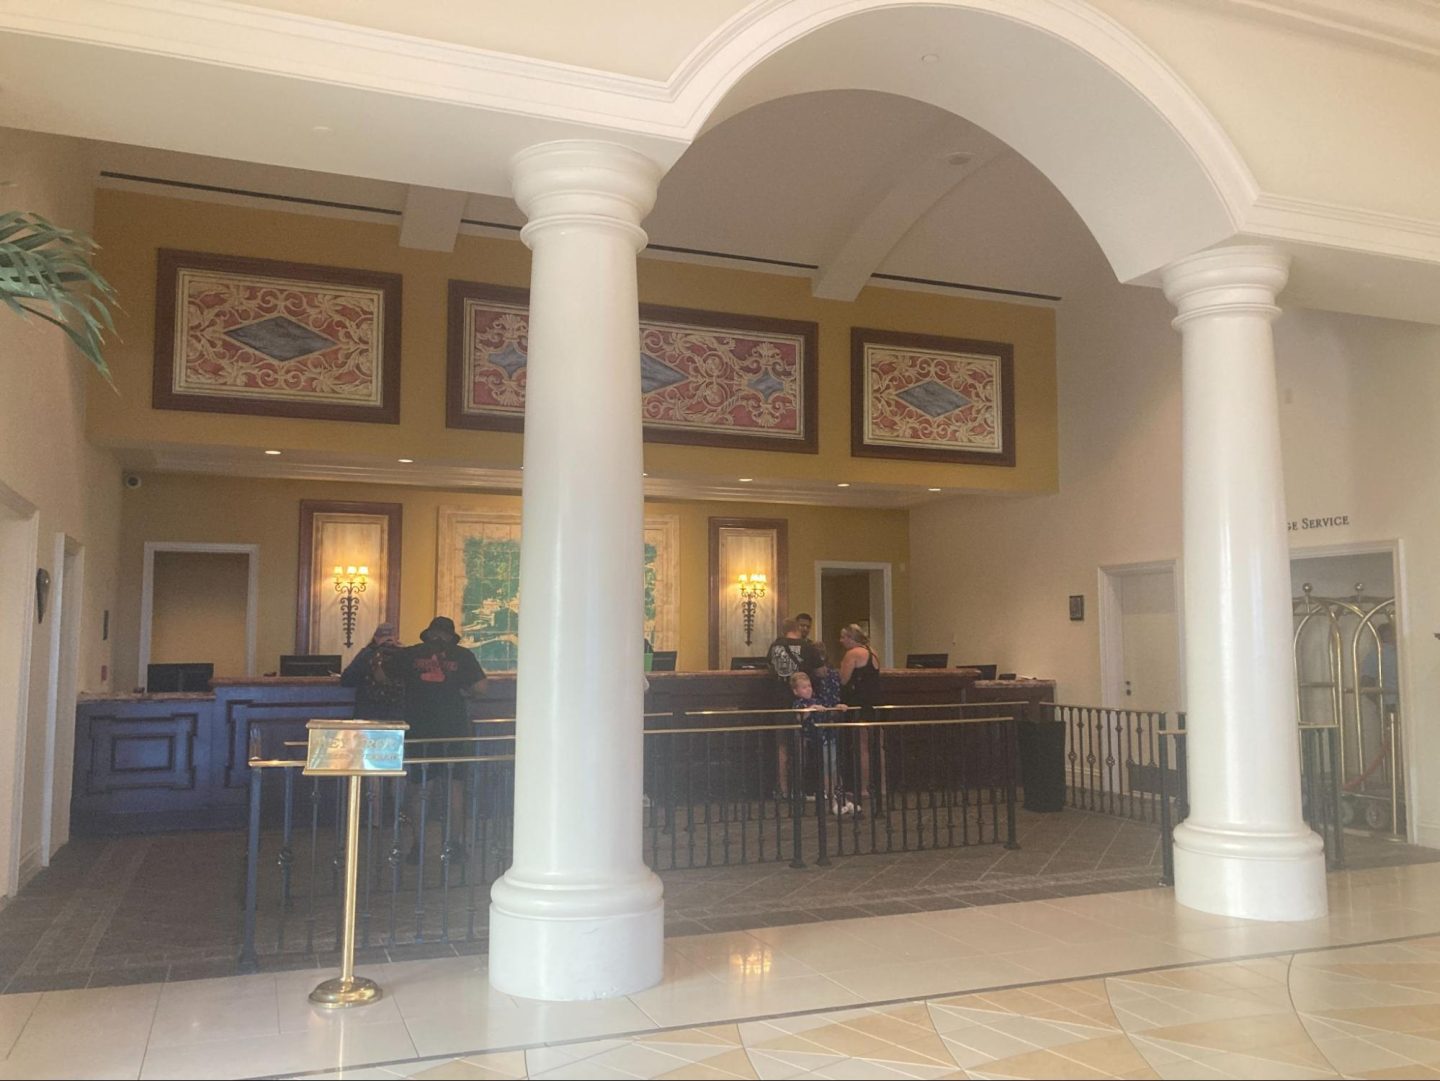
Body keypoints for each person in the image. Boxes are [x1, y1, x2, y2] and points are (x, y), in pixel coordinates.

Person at [399, 616, 487, 863]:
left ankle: (417, 847)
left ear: (429, 634)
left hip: (419, 729)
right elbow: (481, 688)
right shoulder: (462, 655)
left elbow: (383, 676)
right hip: (453, 729)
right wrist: (464, 691)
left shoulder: (410, 654)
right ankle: (455, 847)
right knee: (454, 788)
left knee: (419, 787)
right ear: (450, 636)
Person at [789, 671, 853, 814]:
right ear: (796, 691)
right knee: (826, 770)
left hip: (828, 737)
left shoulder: (817, 700)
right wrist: (810, 710)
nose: (808, 689)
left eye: (809, 686)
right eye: (804, 687)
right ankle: (832, 802)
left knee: (834, 769)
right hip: (816, 742)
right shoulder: (798, 704)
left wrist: (837, 708)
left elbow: (827, 712)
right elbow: (799, 717)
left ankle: (843, 799)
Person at [339, 622, 406, 720]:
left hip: (369, 710)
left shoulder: (366, 654)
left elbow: (346, 679)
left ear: (375, 638)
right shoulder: (405, 654)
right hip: (395, 711)